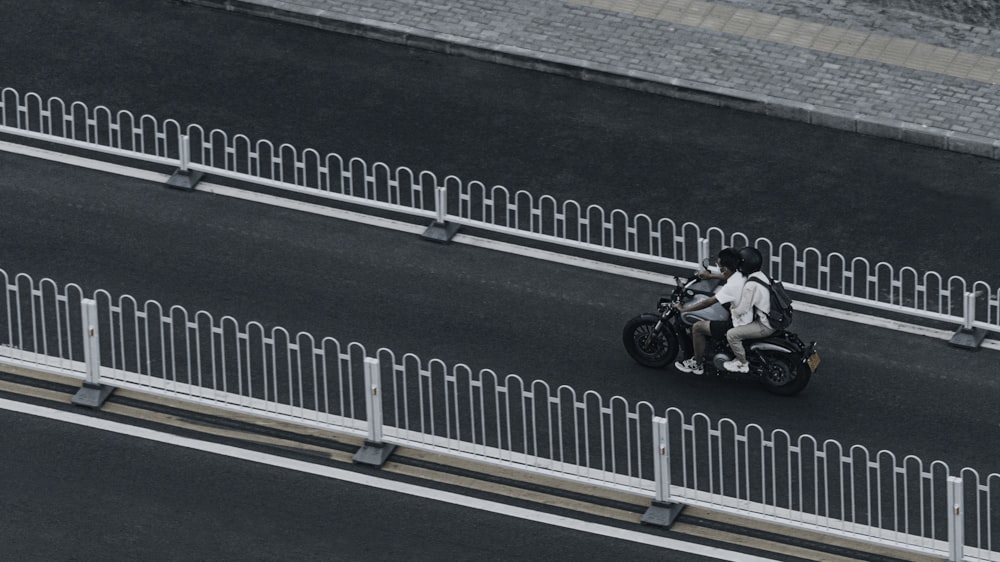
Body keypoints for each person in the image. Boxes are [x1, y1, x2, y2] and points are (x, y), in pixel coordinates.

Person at [672, 248, 744, 375]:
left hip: (737, 322)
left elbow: (707, 302)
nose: (718, 267)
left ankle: (697, 364)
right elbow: (727, 276)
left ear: (725, 268)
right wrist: (710, 276)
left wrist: (683, 309)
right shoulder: (741, 274)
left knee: (698, 327)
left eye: (719, 265)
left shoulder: (731, 287)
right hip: (743, 313)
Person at [723, 247, 775, 373]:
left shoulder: (751, 285)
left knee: (731, 334)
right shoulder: (762, 276)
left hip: (765, 325)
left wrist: (732, 309)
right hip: (772, 318)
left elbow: (742, 309)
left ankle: (742, 363)